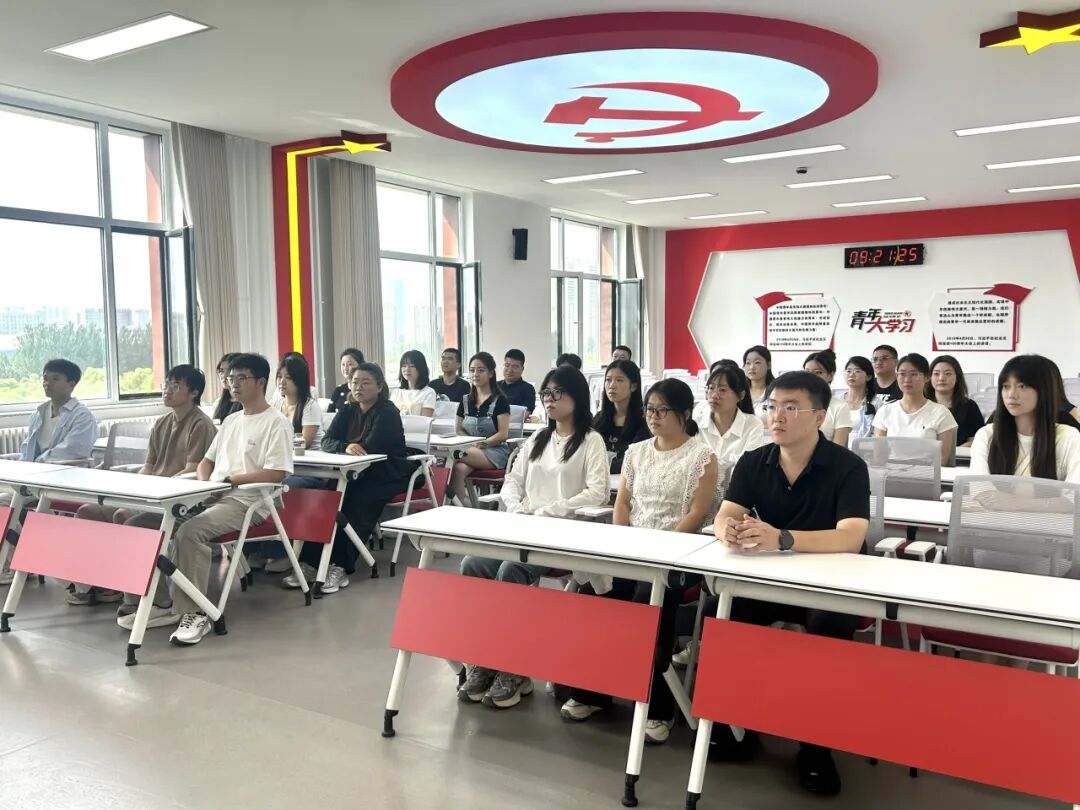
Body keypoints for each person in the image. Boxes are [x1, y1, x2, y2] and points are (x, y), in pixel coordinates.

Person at [711, 371, 870, 796]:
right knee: (725, 613)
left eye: (790, 407)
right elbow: (725, 514)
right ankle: (736, 726)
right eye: (772, 406)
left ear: (819, 416)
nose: (777, 416)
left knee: (827, 630)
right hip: (769, 581)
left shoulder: (848, 467)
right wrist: (728, 531)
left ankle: (815, 747)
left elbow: (851, 536)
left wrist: (782, 539)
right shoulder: (754, 461)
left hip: (828, 587)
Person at [562, 378, 719, 744]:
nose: (654, 416)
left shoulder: (702, 458)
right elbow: (623, 503)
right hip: (631, 550)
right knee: (593, 592)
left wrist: (659, 548)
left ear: (685, 414)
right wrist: (625, 542)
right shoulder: (636, 452)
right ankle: (593, 692)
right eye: (650, 409)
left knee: (646, 603)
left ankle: (659, 706)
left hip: (675, 556)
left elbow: (697, 514)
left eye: (663, 410)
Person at [457, 365, 609, 709]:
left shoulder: (591, 440)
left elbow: (597, 492)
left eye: (557, 393)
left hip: (564, 535)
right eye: (546, 394)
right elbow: (512, 480)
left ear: (577, 397)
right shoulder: (538, 439)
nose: (550, 400)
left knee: (511, 571)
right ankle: (487, 658)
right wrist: (516, 508)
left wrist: (546, 511)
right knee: (472, 565)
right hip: (524, 529)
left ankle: (514, 666)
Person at [167, 353, 293, 647]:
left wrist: (230, 481)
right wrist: (204, 485)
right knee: (156, 523)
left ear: (260, 382)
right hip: (213, 495)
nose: (233, 384)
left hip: (249, 501)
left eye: (241, 378)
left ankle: (196, 613)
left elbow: (276, 473)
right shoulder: (232, 420)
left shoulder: (276, 423)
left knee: (190, 532)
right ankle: (161, 604)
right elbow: (205, 462)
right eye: (230, 378)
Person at [74, 365, 216, 620]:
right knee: (88, 512)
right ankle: (106, 584)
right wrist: (138, 487)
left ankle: (151, 598)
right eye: (166, 385)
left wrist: (155, 489)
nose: (167, 391)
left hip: (178, 500)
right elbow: (149, 466)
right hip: (151, 494)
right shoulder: (162, 423)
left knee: (124, 517)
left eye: (176, 386)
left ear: (194, 393)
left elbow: (193, 471)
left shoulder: (200, 425)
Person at [286, 363, 418, 593]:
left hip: (384, 474)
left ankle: (339, 566)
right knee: (326, 499)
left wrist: (347, 447)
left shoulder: (387, 412)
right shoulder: (348, 409)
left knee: (357, 501)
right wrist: (345, 446)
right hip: (352, 472)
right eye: (355, 382)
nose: (359, 387)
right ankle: (311, 563)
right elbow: (327, 441)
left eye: (366, 383)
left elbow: (370, 448)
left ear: (379, 387)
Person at [969, 355, 1080, 483]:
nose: (1011, 395)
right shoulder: (987, 435)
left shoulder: (1068, 438)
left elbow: (1075, 492)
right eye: (1006, 386)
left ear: (1044, 390)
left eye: (1022, 386)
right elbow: (980, 489)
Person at [873, 353, 958, 464]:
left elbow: (942, 460)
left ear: (927, 377)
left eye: (914, 374)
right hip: (891, 471)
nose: (907, 379)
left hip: (927, 472)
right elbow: (879, 457)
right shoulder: (885, 411)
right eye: (902, 374)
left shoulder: (941, 413)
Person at [450, 352, 511, 506]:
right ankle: (460, 510)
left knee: (452, 454)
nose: (475, 374)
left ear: (491, 373)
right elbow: (458, 430)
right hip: (470, 450)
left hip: (494, 451)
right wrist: (470, 444)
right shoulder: (465, 400)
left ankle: (441, 502)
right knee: (459, 469)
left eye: (480, 370)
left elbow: (503, 434)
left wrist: (483, 444)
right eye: (472, 370)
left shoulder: (500, 400)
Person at [19, 358, 97, 463]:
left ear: (72, 385)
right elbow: (28, 448)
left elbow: (72, 451)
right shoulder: (38, 414)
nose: (47, 383)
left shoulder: (82, 416)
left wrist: (38, 463)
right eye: (45, 379)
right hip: (38, 469)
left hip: (67, 470)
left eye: (55, 379)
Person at [694, 364, 765, 464]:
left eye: (722, 390)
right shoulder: (696, 425)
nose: (714, 395)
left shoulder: (752, 425)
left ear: (741, 395)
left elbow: (750, 466)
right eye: (711, 388)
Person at [592, 360, 650, 473]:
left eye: (619, 380)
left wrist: (596, 467)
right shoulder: (599, 419)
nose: (612, 385)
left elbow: (633, 462)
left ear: (633, 386)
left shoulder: (643, 421)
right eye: (608, 380)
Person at [928, 355, 986, 447]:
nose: (941, 378)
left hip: (960, 455)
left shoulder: (970, 406)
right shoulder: (922, 405)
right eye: (936, 374)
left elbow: (977, 439)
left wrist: (953, 452)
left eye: (948, 374)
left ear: (957, 378)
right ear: (929, 377)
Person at [271, 354, 324, 449]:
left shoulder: (310, 406)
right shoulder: (274, 404)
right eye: (279, 376)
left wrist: (273, 446)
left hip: (311, 456)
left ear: (300, 380)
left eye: (288, 378)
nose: (282, 382)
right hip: (285, 454)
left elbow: (303, 443)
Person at [803, 350, 852, 447]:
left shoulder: (840, 407)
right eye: (807, 372)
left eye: (818, 372)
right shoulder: (796, 404)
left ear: (830, 375)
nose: (811, 377)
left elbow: (838, 449)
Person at [390, 350, 436, 417]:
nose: (407, 369)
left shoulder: (428, 392)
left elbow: (425, 420)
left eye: (412, 366)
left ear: (421, 368)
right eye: (404, 366)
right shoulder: (396, 392)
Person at [843, 356, 878, 440]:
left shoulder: (876, 403)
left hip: (864, 447)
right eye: (848, 371)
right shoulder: (837, 400)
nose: (851, 374)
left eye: (857, 371)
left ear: (868, 376)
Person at [498, 349, 537, 417]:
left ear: (522, 369)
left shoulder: (528, 389)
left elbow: (525, 413)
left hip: (514, 424)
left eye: (515, 367)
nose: (510, 370)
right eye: (507, 365)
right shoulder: (495, 386)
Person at [328, 348, 365, 413]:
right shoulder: (339, 390)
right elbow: (329, 414)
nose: (345, 368)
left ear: (360, 365)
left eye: (350, 364)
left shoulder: (365, 389)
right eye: (343, 364)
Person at [742, 345, 775, 420]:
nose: (751, 367)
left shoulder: (776, 391)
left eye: (757, 362)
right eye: (748, 363)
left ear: (768, 365)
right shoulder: (740, 391)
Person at [210, 352, 243, 423]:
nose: (224, 376)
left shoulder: (247, 402)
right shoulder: (217, 402)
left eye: (229, 371)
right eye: (221, 371)